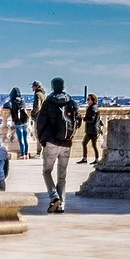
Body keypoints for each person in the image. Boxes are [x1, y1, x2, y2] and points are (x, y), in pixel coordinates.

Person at [35, 77, 78, 213]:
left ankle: (54, 197)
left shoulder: (48, 102)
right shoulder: (71, 101)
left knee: (47, 172)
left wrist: (42, 140)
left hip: (51, 141)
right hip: (66, 143)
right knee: (62, 176)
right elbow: (78, 121)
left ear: (53, 86)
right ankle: (61, 205)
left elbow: (40, 123)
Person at [3, 87, 31, 159]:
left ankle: (23, 154)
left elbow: (6, 105)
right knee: (25, 138)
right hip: (25, 120)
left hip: (17, 121)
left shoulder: (12, 101)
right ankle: (26, 154)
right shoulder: (22, 100)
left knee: (20, 138)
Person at [80, 94, 101, 163]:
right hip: (93, 129)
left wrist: (84, 119)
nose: (87, 100)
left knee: (87, 144)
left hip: (92, 130)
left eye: (88, 99)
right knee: (91, 144)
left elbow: (92, 119)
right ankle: (95, 159)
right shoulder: (95, 107)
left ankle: (87, 158)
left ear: (92, 100)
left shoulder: (92, 108)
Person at [30, 81, 46, 157]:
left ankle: (38, 153)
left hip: (39, 117)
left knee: (38, 135)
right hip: (45, 117)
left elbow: (37, 107)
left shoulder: (37, 95)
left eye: (33, 86)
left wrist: (32, 114)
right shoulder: (44, 94)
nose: (32, 88)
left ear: (36, 86)